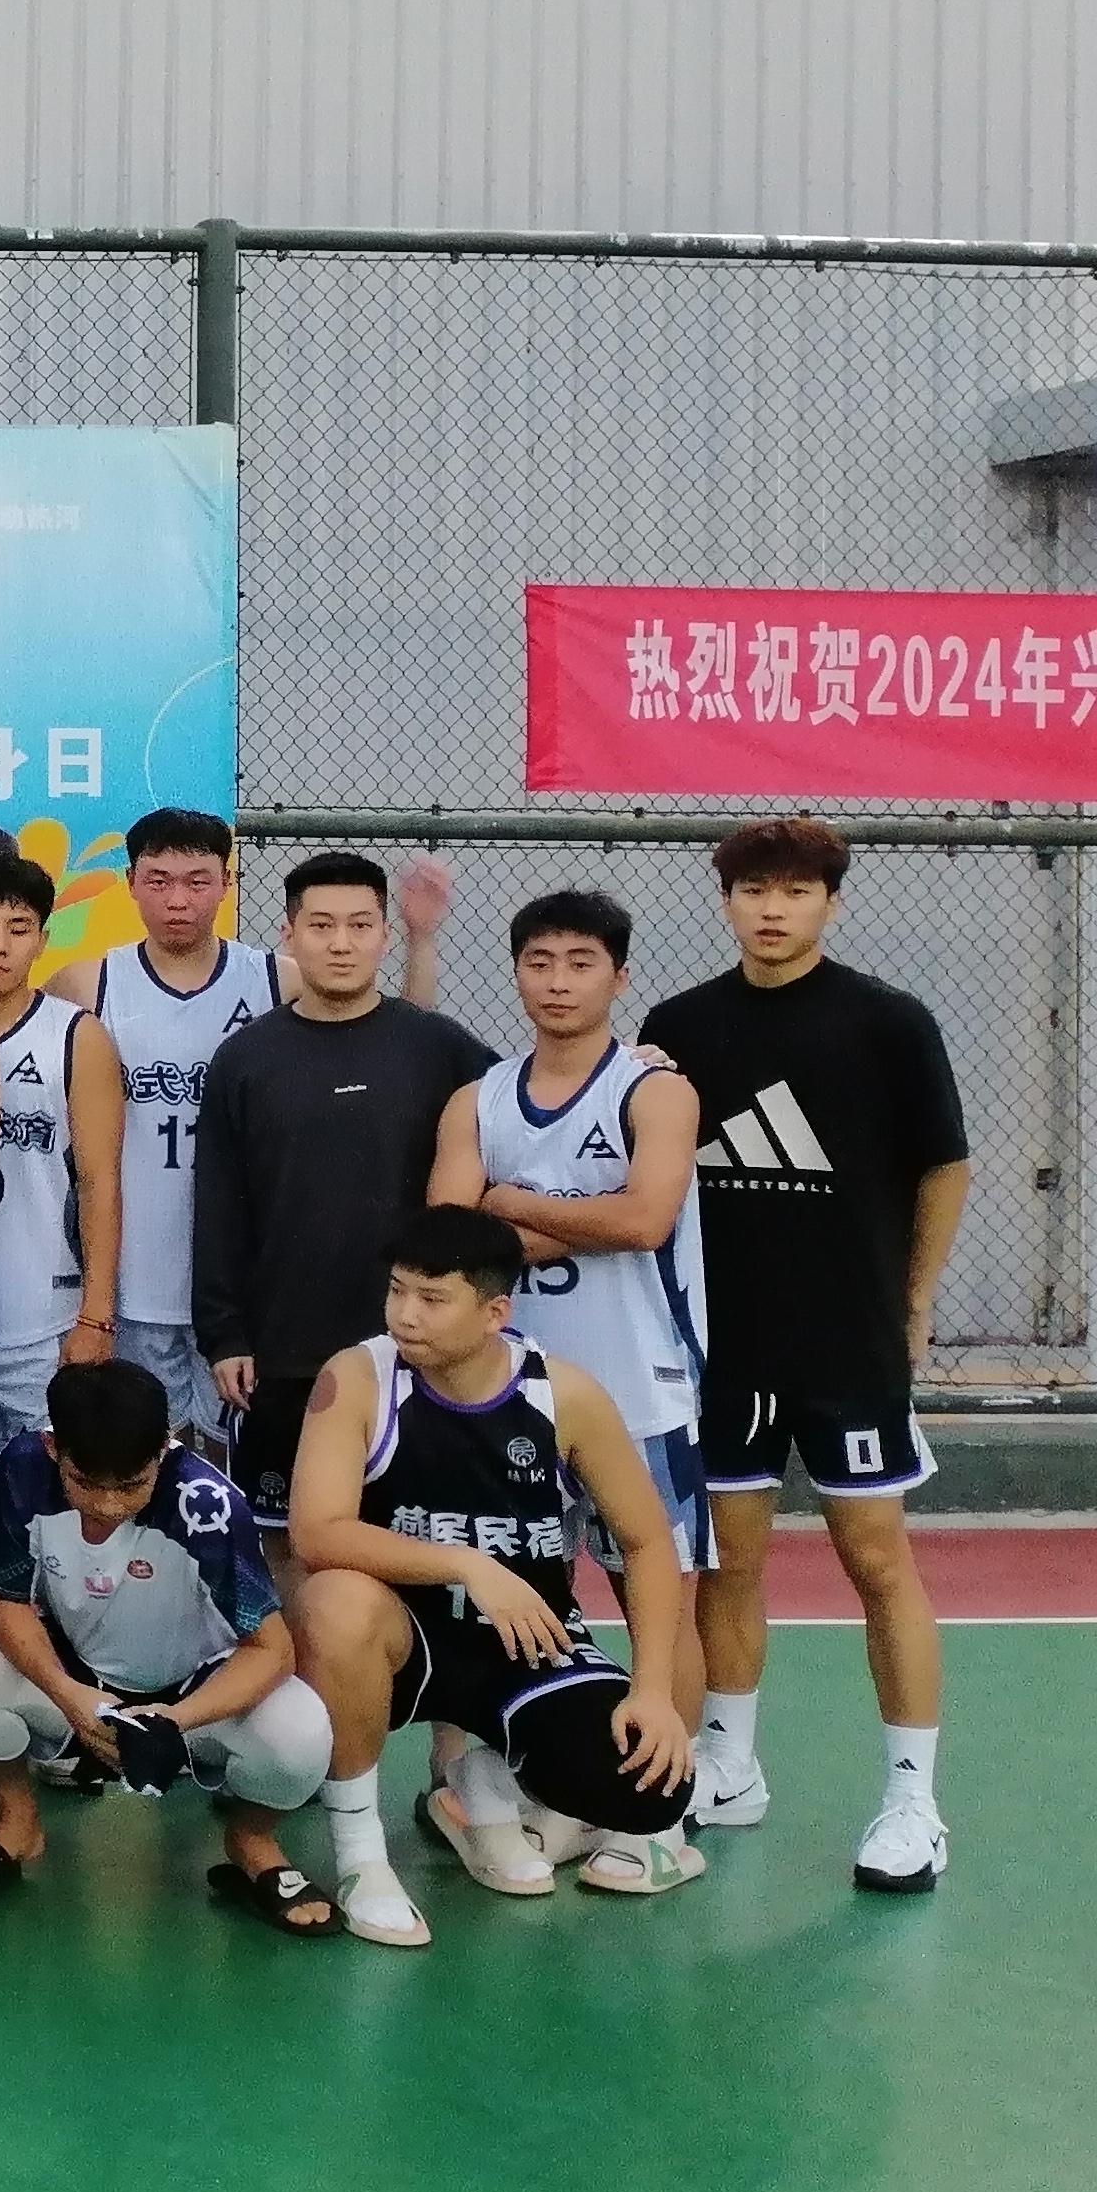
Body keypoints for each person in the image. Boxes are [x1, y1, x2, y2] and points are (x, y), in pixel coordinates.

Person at [639, 817, 971, 1893]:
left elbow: (945, 1166)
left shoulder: (889, 1022)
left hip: (847, 1345)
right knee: (727, 1561)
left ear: (830, 901)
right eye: (753, 891)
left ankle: (913, 1803)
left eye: (793, 891)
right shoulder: (678, 1025)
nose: (772, 909)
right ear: (726, 902)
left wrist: (914, 1299)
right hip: (721, 1351)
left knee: (876, 1560)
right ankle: (729, 1764)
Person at [279, 1208, 699, 1950]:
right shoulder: (359, 1377)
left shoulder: (563, 1395)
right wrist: (470, 1565)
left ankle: (484, 1785)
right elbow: (316, 1534)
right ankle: (361, 1858)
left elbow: (646, 1544)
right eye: (397, 1290)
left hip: (526, 1644)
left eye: (432, 1298)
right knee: (333, 1601)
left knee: (648, 1788)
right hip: (401, 1641)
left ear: (495, 1312)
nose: (405, 1314)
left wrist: (654, 1690)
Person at [429, 886, 712, 1900]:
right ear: (514, 971)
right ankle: (483, 1792)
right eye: (539, 961)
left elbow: (644, 1220)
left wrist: (511, 1204)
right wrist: (552, 1220)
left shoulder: (654, 1091)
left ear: (619, 977)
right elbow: (451, 1238)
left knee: (657, 1605)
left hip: (638, 1391)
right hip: (505, 1401)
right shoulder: (478, 1098)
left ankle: (665, 1814)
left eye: (580, 963)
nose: (557, 982)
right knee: (497, 1606)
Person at [47, 808, 449, 1439]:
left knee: (232, 1457)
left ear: (226, 884)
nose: (178, 900)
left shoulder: (273, 977)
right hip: (131, 1274)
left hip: (248, 1274)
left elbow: (394, 1043)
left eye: (197, 881)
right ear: (131, 883)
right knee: (142, 1448)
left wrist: (420, 939)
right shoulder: (86, 983)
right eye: (159, 881)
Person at [0, 1358, 338, 1937]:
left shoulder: (207, 1506)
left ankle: (252, 1841)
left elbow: (271, 1650)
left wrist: (174, 1722)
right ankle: (17, 1820)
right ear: (53, 1449)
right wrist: (69, 1695)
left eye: (131, 1485)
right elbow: (4, 1601)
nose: (109, 1505)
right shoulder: (21, 1470)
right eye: (85, 1483)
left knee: (301, 1731)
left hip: (197, 1694)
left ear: (164, 1450)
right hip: (78, 1682)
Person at [192, 854, 499, 1534]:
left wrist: (629, 1065)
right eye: (321, 925)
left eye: (360, 925)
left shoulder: (439, 1046)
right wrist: (225, 1334)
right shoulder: (245, 1059)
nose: (341, 943)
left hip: (417, 1347)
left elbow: (538, 1100)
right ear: (288, 934)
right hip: (284, 1349)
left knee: (415, 1534)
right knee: (286, 1541)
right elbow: (218, 1209)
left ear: (385, 935)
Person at [0, 852, 122, 1461]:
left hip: (44, 1318)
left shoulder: (74, 1035)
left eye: (18, 929)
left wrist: (95, 1316)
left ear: (43, 940)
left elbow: (99, 1181)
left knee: (56, 1483)